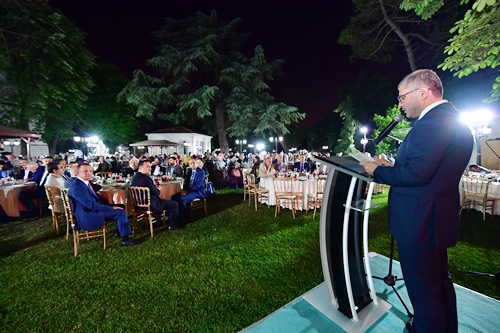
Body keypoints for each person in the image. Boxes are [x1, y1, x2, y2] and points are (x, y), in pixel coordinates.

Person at [360, 69, 473, 333]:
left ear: (422, 92)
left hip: (420, 222)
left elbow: (417, 174)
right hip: (433, 219)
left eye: (401, 97)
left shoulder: (432, 123)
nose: (399, 104)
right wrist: (392, 164)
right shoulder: (450, 119)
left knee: (424, 288)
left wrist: (376, 170)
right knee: (439, 284)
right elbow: (429, 168)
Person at [68, 163, 141, 246]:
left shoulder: (83, 183)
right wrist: (110, 208)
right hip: (88, 214)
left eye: (90, 171)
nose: (88, 173)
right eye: (85, 171)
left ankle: (120, 232)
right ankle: (126, 239)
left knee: (121, 206)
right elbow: (91, 205)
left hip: (91, 210)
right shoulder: (78, 186)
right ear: (78, 173)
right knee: (120, 212)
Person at [130, 160, 181, 230]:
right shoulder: (146, 178)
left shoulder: (133, 178)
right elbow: (157, 192)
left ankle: (159, 220)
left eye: (150, 167)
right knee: (174, 204)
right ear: (140, 167)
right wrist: (158, 189)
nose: (150, 168)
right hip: (152, 205)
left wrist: (153, 188)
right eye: (148, 166)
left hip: (139, 205)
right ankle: (172, 225)